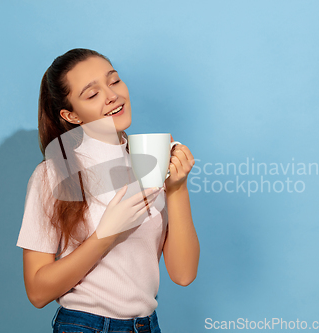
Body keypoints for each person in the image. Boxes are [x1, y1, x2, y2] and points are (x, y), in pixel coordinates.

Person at [16, 48, 200, 333]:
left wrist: (177, 188)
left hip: (147, 325)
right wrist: (106, 234)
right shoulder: (53, 174)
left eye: (114, 81)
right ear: (71, 115)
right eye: (92, 94)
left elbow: (184, 274)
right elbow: (38, 292)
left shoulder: (148, 162)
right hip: (85, 326)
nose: (112, 95)